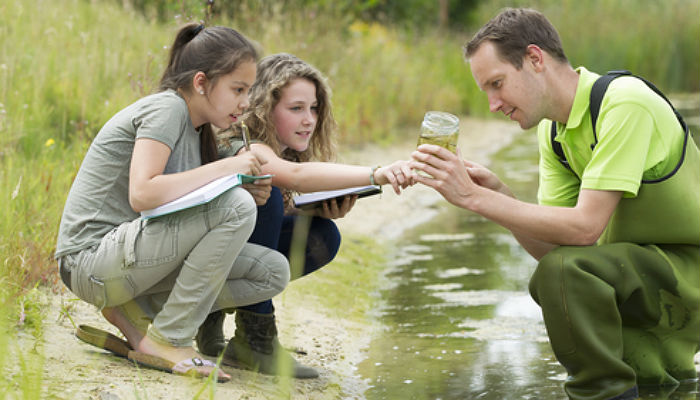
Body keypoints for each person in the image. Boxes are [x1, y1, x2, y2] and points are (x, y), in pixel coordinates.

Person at [410, 8, 700, 400]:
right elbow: (558, 255)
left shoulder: (625, 104)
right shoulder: (554, 134)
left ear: (534, 59)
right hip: (642, 277)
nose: (493, 104)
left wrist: (474, 197)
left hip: (686, 276)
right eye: (486, 91)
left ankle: (601, 396)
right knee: (560, 272)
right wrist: (499, 196)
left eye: (497, 84)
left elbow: (585, 228)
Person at [55, 23, 292, 382]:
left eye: (249, 90)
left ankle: (137, 315)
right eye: (238, 89)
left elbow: (179, 207)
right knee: (235, 208)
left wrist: (241, 185)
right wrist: (228, 169)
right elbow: (143, 193)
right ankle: (170, 338)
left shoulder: (198, 130)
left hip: (130, 259)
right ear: (201, 82)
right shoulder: (167, 109)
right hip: (89, 261)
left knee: (272, 270)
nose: (245, 102)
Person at [195, 53, 415, 378]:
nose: (309, 119)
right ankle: (255, 338)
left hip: (222, 258)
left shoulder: (276, 147)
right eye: (296, 108)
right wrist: (377, 174)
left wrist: (314, 209)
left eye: (314, 108)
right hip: (192, 264)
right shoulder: (245, 145)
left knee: (321, 235)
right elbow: (294, 178)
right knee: (265, 195)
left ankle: (224, 321)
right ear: (264, 109)